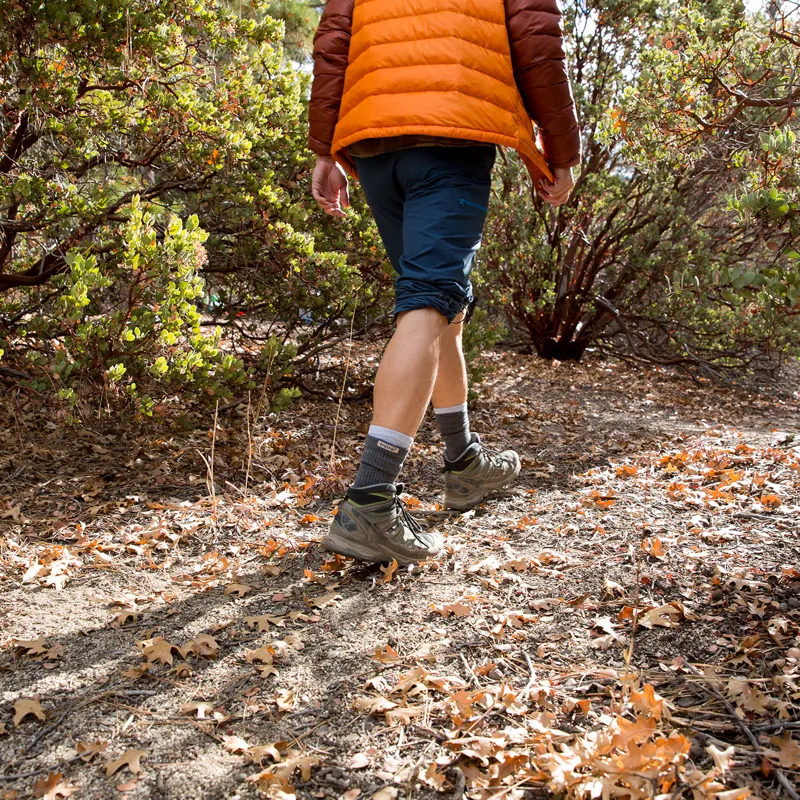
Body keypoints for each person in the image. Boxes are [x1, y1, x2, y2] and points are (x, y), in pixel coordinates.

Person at [308, 0, 581, 565]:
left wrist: (326, 149)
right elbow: (537, 42)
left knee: (441, 307)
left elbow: (333, 44)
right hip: (451, 129)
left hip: (374, 136)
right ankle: (371, 500)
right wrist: (560, 150)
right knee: (429, 301)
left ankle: (463, 462)